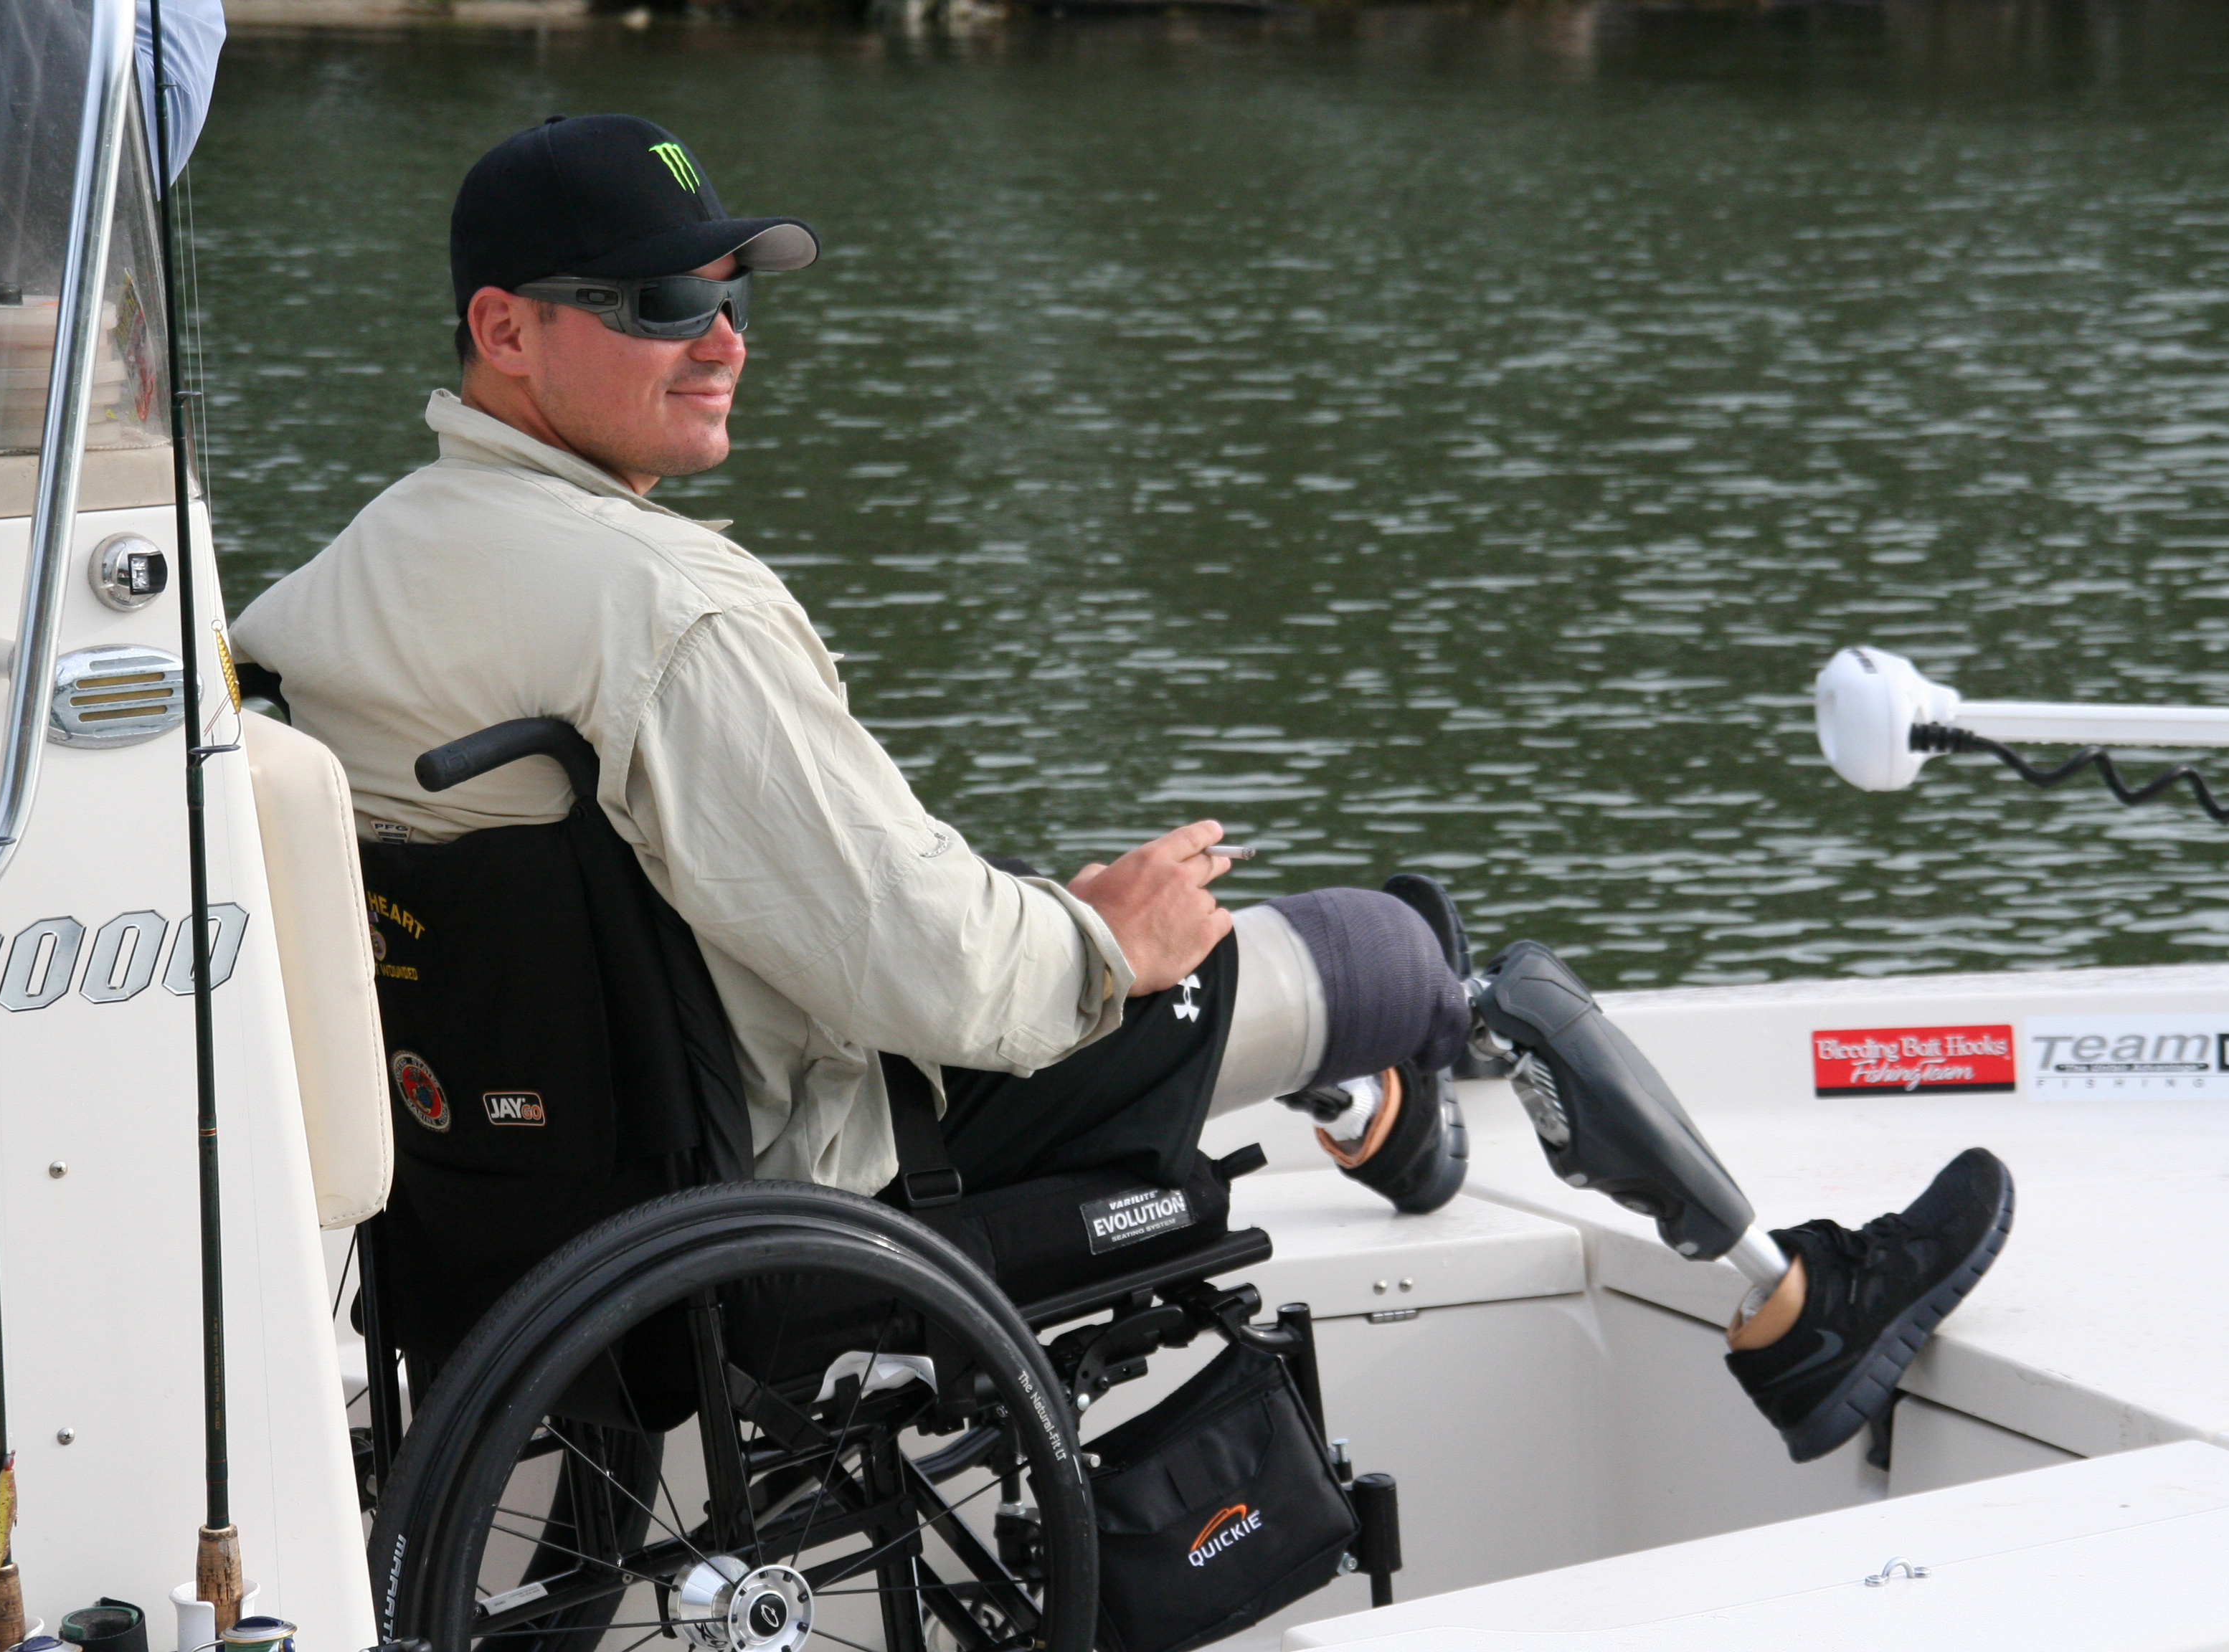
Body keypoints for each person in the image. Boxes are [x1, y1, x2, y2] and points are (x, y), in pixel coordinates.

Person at [234, 115, 2013, 1465]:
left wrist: (1061, 920)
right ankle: (1798, 1316)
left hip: (509, 1217)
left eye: (732, 294)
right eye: (660, 304)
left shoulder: (303, 618)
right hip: (814, 1178)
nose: (724, 340)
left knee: (1073, 906)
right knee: (1406, 949)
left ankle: (1383, 1117)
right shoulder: (670, 613)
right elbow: (942, 979)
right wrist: (1107, 948)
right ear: (506, 330)